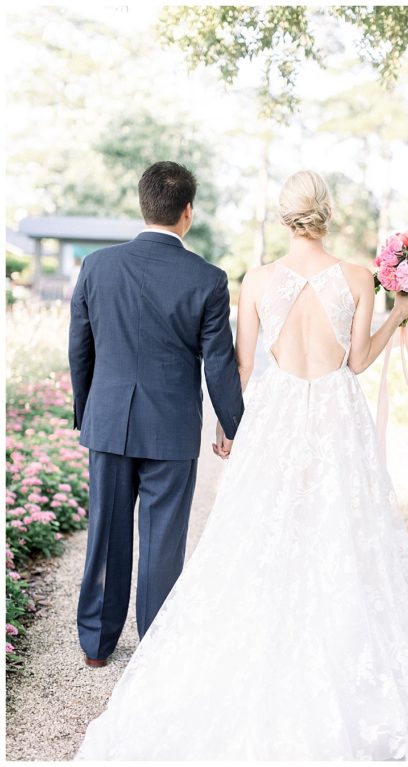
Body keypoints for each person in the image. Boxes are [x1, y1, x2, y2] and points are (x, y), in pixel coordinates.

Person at [75, 170, 408, 760]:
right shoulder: (357, 278)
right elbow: (356, 363)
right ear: (326, 214)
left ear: (284, 217)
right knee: (341, 533)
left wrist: (235, 428)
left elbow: (242, 367)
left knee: (252, 534)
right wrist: (399, 315)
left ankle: (130, 642)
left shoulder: (253, 281)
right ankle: (316, 641)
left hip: (271, 419)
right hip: (335, 416)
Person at [69, 161, 244, 668]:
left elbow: (80, 348)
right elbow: (220, 364)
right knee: (164, 539)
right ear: (187, 212)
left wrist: (89, 411)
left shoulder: (96, 267)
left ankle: (97, 646)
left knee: (105, 533)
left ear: (142, 203)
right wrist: (234, 426)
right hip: (171, 429)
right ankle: (155, 650)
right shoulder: (208, 279)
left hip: (109, 423)